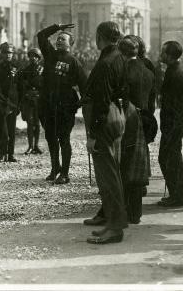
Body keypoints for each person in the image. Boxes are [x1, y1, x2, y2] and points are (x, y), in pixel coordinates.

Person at [82, 21, 127, 244]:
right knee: (112, 174)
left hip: (104, 119)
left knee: (108, 178)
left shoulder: (106, 63)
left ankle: (115, 227)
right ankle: (112, 222)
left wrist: (92, 135)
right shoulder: (118, 56)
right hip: (115, 115)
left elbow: (100, 102)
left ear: (101, 36)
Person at [37, 23, 87, 184]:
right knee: (50, 137)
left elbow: (85, 87)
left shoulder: (74, 62)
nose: (59, 41)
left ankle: (65, 173)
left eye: (63, 39)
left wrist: (78, 105)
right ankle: (54, 168)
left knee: (64, 138)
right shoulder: (50, 55)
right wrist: (57, 27)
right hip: (48, 105)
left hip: (65, 107)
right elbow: (41, 36)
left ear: (70, 44)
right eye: (58, 39)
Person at [119, 35, 155, 224]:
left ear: (122, 52)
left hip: (128, 120)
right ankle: (136, 213)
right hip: (144, 119)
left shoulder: (123, 71)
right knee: (137, 166)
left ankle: (125, 210)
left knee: (125, 166)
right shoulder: (147, 71)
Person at [157, 41, 183, 207]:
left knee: (170, 159)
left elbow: (173, 103)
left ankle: (177, 197)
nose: (161, 54)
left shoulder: (175, 74)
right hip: (177, 121)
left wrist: (170, 123)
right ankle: (176, 195)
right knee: (170, 158)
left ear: (169, 55)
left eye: (163, 52)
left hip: (173, 122)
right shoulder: (179, 70)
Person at [0, 42, 20, 162]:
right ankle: (1, 152)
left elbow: (21, 86)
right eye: (6, 53)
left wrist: (18, 102)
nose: (8, 55)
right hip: (1, 103)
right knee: (1, 130)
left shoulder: (17, 67)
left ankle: (10, 154)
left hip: (13, 102)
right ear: (2, 54)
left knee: (11, 129)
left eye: (10, 53)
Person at [18, 48, 44, 155]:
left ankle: (36, 146)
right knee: (29, 122)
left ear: (39, 58)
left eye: (35, 56)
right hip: (28, 99)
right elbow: (22, 86)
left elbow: (45, 85)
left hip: (39, 99)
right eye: (31, 56)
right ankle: (30, 146)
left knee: (37, 123)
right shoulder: (25, 70)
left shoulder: (43, 70)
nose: (33, 58)